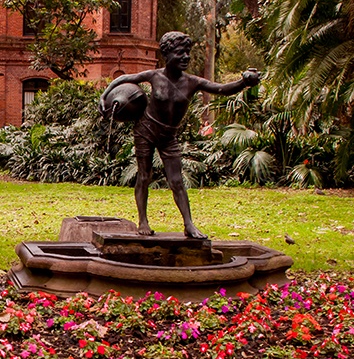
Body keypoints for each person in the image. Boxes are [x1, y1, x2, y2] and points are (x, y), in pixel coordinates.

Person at [100, 31, 260, 238]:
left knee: (176, 180)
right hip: (146, 129)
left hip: (168, 136)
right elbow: (124, 78)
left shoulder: (192, 82)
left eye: (187, 52)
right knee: (144, 176)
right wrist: (103, 98)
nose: (185, 57)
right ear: (167, 55)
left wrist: (244, 82)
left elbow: (221, 89)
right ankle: (143, 220)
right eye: (179, 53)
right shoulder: (154, 76)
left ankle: (188, 224)